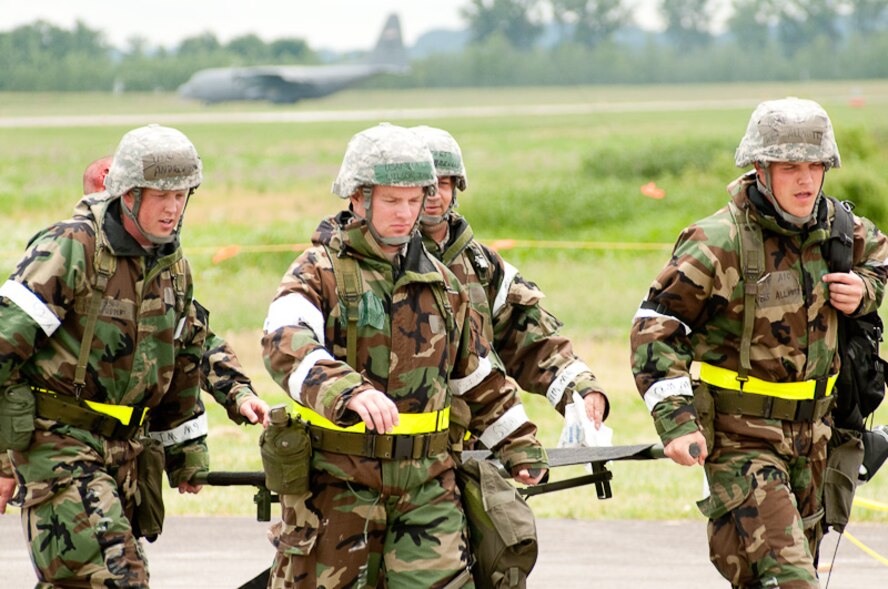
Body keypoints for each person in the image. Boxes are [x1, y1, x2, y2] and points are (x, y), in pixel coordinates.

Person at [261, 123, 548, 588]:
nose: (406, 213)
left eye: (414, 201)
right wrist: (347, 390)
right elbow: (284, 343)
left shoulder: (443, 282)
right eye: (392, 201)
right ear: (358, 199)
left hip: (428, 487)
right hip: (338, 485)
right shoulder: (317, 270)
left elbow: (474, 375)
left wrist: (519, 445)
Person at [629, 98, 888, 588]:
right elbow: (654, 329)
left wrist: (866, 290)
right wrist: (678, 424)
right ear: (760, 168)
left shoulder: (836, 228)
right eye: (791, 167)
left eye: (816, 166)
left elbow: (882, 257)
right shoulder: (717, 241)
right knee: (791, 580)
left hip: (817, 441)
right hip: (742, 443)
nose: (807, 180)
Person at [0, 124, 212, 587]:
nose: (173, 208)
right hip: (60, 444)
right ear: (128, 195)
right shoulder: (73, 248)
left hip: (127, 454)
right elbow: (2, 345)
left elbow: (182, 359)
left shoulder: (172, 265)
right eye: (160, 195)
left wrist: (186, 453)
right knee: (117, 578)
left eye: (181, 195)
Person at [412, 125, 608, 447]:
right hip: (401, 448)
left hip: (479, 443)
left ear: (456, 187)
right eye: (424, 186)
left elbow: (534, 342)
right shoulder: (386, 266)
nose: (434, 196)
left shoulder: (483, 266)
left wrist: (582, 389)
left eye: (443, 184)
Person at [82, 156, 270, 427]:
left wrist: (239, 394)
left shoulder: (166, 264)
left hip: (154, 436)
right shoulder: (76, 256)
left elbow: (194, 336)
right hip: (76, 443)